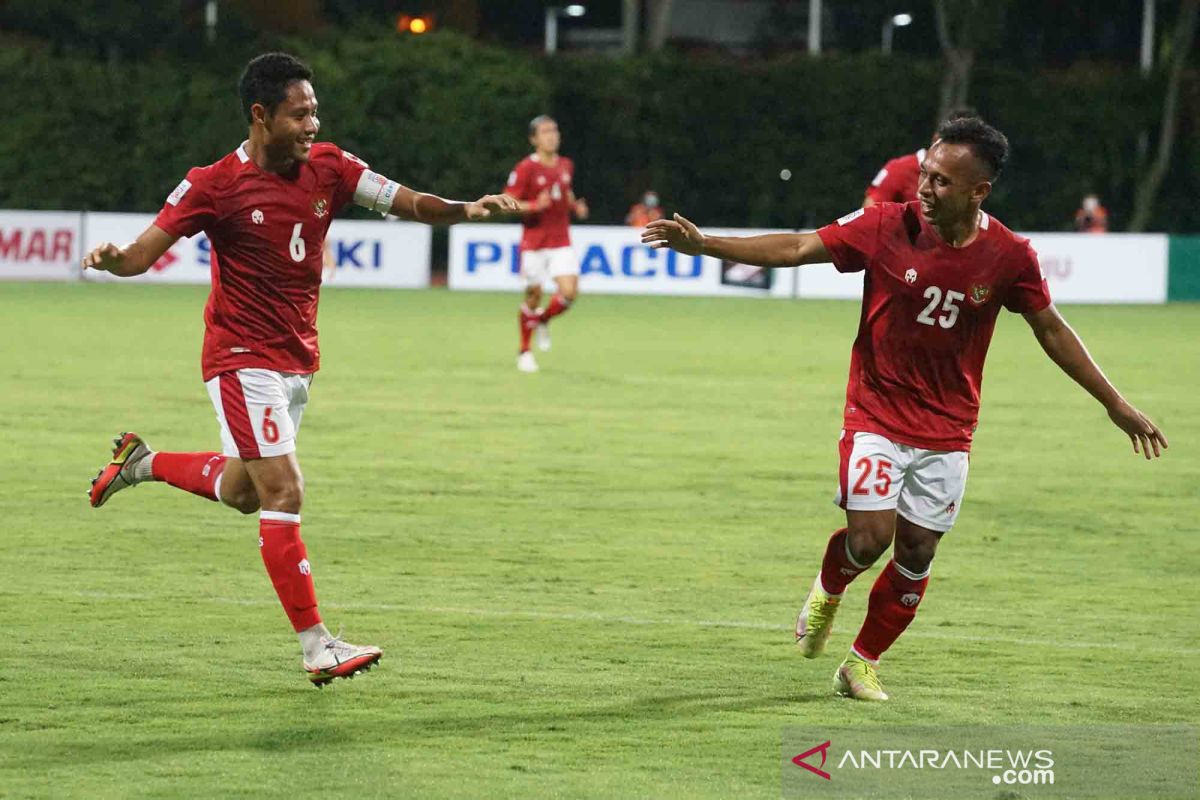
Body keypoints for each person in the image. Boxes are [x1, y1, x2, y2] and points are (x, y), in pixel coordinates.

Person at [642, 116, 1167, 701]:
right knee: (869, 540)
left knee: (917, 552)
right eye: (925, 174)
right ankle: (828, 588)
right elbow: (796, 246)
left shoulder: (1010, 255)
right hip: (876, 414)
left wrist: (1115, 404)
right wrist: (705, 243)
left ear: (978, 192)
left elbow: (1051, 329)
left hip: (948, 431)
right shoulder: (884, 226)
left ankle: (860, 662)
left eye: (942, 181)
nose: (924, 188)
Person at [83, 52, 518, 687]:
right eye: (300, 113)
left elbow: (405, 201)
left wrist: (465, 209)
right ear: (260, 116)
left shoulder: (331, 167)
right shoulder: (213, 183)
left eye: (315, 110)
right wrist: (114, 258)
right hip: (239, 358)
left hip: (295, 361)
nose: (313, 123)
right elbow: (143, 254)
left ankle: (141, 462)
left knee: (242, 492)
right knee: (284, 491)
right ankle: (318, 647)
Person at [505, 115, 589, 373]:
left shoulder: (566, 165)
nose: (552, 135)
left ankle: (541, 320)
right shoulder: (525, 168)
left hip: (560, 240)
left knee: (569, 293)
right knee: (533, 295)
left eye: (554, 130)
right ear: (534, 139)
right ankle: (524, 350)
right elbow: (508, 201)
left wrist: (575, 206)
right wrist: (532, 205)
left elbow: (565, 190)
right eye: (545, 132)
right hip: (534, 242)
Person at [864, 108, 975, 207]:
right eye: (956, 145)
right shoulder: (900, 169)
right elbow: (870, 210)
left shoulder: (966, 181)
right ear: (936, 139)